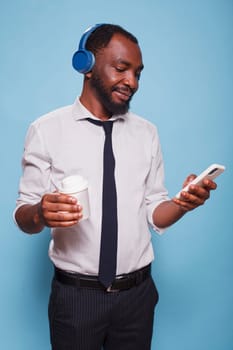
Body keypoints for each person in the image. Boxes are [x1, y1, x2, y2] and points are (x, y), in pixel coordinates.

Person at [14, 24, 217, 350]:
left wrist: (182, 203)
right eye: (121, 69)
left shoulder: (147, 133)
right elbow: (23, 215)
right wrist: (39, 212)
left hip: (137, 297)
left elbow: (155, 211)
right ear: (86, 65)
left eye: (138, 73)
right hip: (76, 299)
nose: (132, 82)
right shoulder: (46, 130)